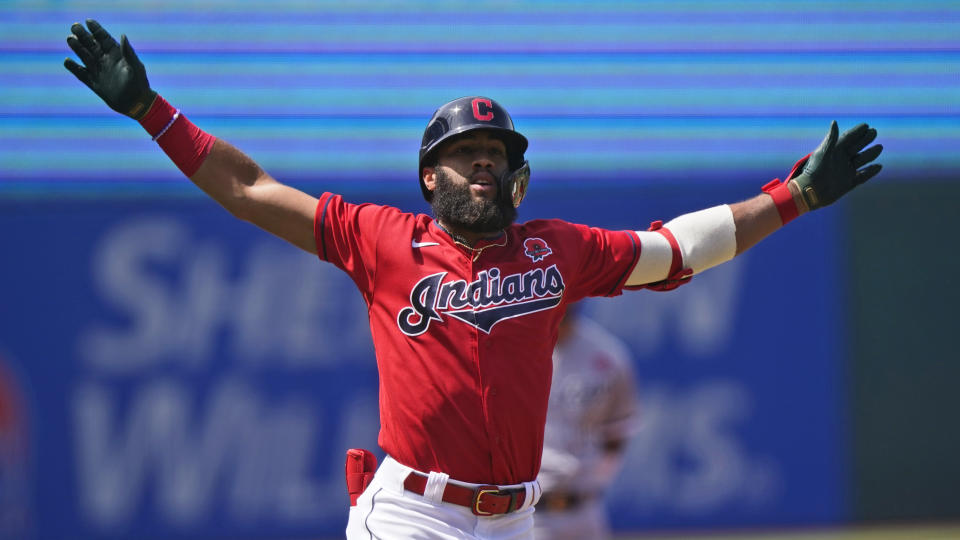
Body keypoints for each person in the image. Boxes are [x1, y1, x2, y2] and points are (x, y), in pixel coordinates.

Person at [63, 19, 883, 540]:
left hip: (516, 518)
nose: (483, 165)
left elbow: (678, 249)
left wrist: (795, 196)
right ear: (430, 177)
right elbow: (248, 191)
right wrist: (151, 110)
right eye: (465, 156)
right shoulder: (381, 240)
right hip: (414, 513)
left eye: (496, 155)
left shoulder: (555, 251)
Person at [534, 309, 639, 539]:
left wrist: (594, 478)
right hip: (530, 511)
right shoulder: (516, 351)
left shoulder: (606, 354)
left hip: (585, 508)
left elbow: (618, 429)